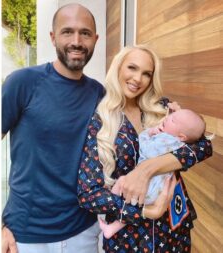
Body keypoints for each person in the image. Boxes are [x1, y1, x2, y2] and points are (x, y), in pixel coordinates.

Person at [77, 45, 212, 252]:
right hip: (130, 239)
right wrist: (147, 211)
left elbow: (203, 146)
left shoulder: (162, 109)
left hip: (173, 231)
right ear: (118, 68)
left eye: (146, 73)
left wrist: (147, 168)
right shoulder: (100, 122)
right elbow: (88, 195)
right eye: (132, 68)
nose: (138, 79)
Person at [2, 4, 104, 253]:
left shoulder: (99, 94)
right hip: (26, 234)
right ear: (53, 37)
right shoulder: (23, 83)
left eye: (85, 33)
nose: (77, 41)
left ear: (95, 39)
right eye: (67, 32)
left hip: (84, 231)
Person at [98, 109, 206, 239]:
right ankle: (112, 228)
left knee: (121, 182)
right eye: (171, 115)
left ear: (182, 136)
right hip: (157, 190)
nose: (167, 118)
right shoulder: (179, 143)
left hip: (148, 188)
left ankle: (113, 200)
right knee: (131, 205)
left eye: (173, 120)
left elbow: (146, 149)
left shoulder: (166, 139)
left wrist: (149, 133)